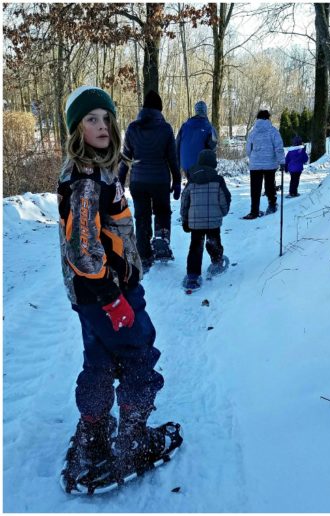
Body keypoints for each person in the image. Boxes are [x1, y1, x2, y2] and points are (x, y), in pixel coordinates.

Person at [58, 86, 169, 491]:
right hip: (110, 295)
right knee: (139, 355)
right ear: (76, 128)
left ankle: (92, 436)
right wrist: (113, 300)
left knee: (100, 362)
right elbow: (85, 251)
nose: (102, 126)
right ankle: (132, 440)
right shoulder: (87, 182)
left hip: (90, 301)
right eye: (91, 120)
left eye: (106, 119)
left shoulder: (91, 173)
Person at [118, 90, 179, 268]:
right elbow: (172, 159)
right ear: (160, 109)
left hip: (138, 180)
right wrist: (176, 181)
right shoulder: (166, 128)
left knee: (142, 216)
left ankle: (144, 254)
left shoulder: (132, 128)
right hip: (160, 180)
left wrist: (119, 182)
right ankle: (161, 240)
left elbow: (125, 159)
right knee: (162, 211)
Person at [180, 149, 231, 290]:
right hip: (214, 221)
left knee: (195, 247)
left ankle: (192, 276)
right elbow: (225, 198)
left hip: (196, 222)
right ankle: (217, 262)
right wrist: (223, 212)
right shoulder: (218, 179)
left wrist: (185, 219)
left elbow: (185, 200)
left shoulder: (192, 180)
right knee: (213, 241)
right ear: (213, 163)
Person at [243, 109, 285, 219]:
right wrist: (282, 161)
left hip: (255, 164)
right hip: (270, 164)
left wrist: (253, 157)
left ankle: (254, 211)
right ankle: (272, 205)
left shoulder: (253, 133)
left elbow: (248, 149)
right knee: (270, 185)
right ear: (268, 118)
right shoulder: (273, 131)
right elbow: (278, 148)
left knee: (255, 188)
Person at [176, 100, 218, 177]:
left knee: (192, 185)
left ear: (196, 111)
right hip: (201, 168)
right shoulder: (209, 128)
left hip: (185, 166)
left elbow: (177, 146)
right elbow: (212, 149)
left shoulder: (184, 126)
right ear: (205, 111)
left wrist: (178, 167)